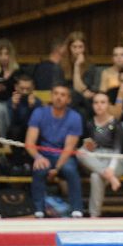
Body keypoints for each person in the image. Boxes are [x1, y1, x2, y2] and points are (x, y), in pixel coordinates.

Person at [24, 82, 84, 218]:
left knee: (70, 170)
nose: (58, 97)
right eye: (56, 94)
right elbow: (29, 142)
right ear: (51, 96)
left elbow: (69, 148)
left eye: (63, 95)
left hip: (63, 155)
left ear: (68, 99)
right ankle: (38, 209)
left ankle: (77, 209)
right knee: (39, 169)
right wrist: (38, 157)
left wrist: (56, 168)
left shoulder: (75, 117)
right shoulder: (39, 113)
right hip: (44, 153)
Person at [75, 91, 123, 218]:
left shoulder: (115, 124)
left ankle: (94, 214)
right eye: (96, 102)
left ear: (108, 105)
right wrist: (89, 146)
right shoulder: (90, 123)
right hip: (96, 159)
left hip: (114, 161)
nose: (99, 105)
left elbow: (118, 149)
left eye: (103, 102)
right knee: (81, 152)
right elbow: (88, 143)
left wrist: (111, 169)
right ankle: (94, 216)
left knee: (96, 176)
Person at [0, 37, 20, 102]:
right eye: (0, 54)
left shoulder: (18, 71)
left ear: (11, 54)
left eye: (7, 54)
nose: (3, 57)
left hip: (12, 103)